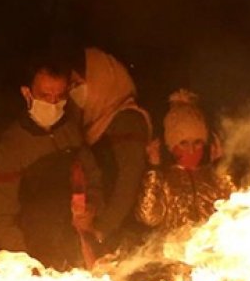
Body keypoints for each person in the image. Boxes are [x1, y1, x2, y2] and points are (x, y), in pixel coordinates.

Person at [0, 52, 103, 270]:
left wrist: (91, 208)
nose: (53, 103)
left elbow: (93, 177)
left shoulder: (70, 132)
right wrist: (31, 266)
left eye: (59, 96)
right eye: (45, 95)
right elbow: (1, 221)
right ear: (27, 93)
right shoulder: (9, 149)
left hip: (78, 254)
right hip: (37, 261)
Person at [70, 47, 152, 253]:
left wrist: (101, 229)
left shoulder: (127, 120)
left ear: (101, 82)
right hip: (101, 229)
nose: (74, 91)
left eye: (79, 84)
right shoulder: (97, 122)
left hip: (122, 236)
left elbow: (128, 181)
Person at [136, 90, 235, 232]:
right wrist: (154, 169)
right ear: (172, 146)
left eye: (197, 142)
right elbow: (149, 217)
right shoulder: (164, 179)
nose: (191, 150)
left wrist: (220, 167)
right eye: (183, 143)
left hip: (212, 250)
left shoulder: (213, 176)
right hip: (174, 251)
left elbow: (235, 207)